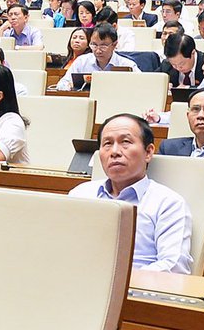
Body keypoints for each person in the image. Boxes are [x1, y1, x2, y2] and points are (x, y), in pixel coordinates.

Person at [67, 114, 192, 273]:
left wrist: (118, 283)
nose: (114, 152)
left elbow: (174, 266)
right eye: (107, 143)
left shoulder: (168, 203)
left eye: (125, 142)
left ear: (148, 152)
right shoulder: (80, 195)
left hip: (136, 290)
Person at [55, 24, 138, 90]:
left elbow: (142, 86)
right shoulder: (81, 62)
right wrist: (69, 86)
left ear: (114, 45)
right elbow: (61, 84)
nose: (98, 50)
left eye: (103, 46)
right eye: (94, 45)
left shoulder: (127, 65)